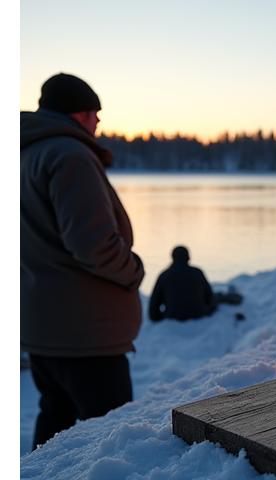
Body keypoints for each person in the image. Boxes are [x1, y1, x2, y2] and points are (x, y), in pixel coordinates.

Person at [21, 73, 145, 450]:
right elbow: (93, 245)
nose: (99, 123)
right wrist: (133, 271)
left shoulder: (24, 154)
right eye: (96, 113)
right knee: (113, 438)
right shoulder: (69, 155)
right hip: (86, 335)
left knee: (54, 420)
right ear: (81, 113)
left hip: (42, 326)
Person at [148, 246, 217, 321]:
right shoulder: (197, 273)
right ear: (188, 258)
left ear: (172, 258)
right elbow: (209, 298)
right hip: (198, 315)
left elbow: (153, 307)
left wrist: (159, 317)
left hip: (172, 316)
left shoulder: (164, 275)